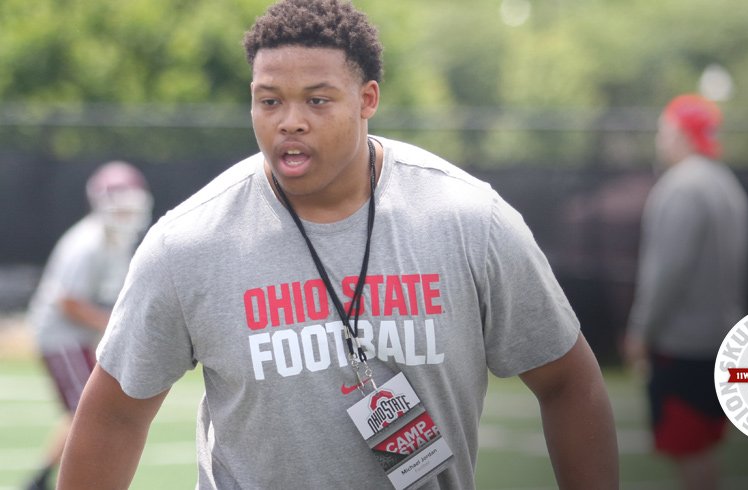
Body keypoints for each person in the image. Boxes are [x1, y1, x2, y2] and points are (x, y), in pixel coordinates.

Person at [56, 1, 619, 489]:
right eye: (269, 101)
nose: (289, 122)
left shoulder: (471, 220)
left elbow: (568, 381)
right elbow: (114, 415)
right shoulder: (187, 243)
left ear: (367, 98)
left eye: (318, 101)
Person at [622, 94, 748, 490]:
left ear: (682, 134)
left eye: (665, 131)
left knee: (690, 451)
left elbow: (667, 272)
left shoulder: (681, 188)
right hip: (722, 338)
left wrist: (641, 331)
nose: (661, 141)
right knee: (703, 449)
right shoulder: (727, 186)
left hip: (681, 344)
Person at [23, 161, 153, 490]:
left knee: (85, 409)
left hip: (80, 336)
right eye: (119, 208)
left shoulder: (118, 241)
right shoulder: (87, 242)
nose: (125, 215)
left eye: (130, 208)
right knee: (88, 412)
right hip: (61, 336)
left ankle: (40, 478)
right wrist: (112, 323)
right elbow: (67, 301)